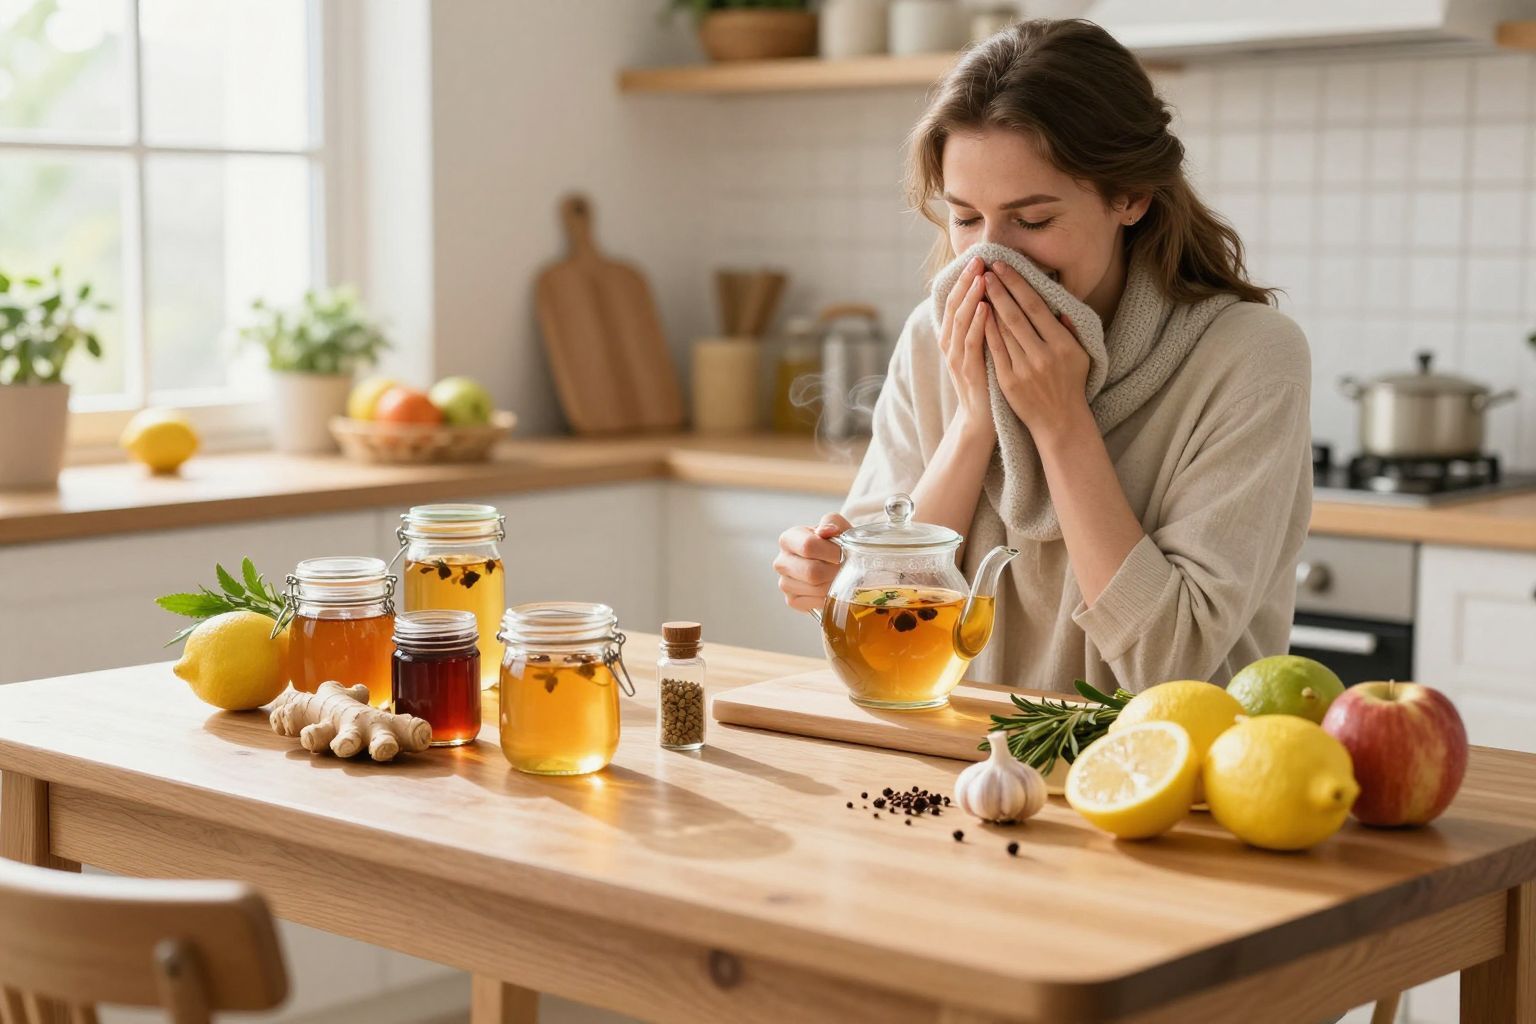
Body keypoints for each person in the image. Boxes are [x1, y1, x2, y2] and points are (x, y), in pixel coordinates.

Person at [772, 19, 1311, 694]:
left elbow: (1169, 666)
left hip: (1159, 777)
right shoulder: (933, 337)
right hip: (960, 767)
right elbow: (890, 641)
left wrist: (1059, 422)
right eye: (966, 218)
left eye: (1032, 221)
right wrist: (973, 422)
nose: (990, 260)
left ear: (1131, 196)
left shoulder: (1249, 358)